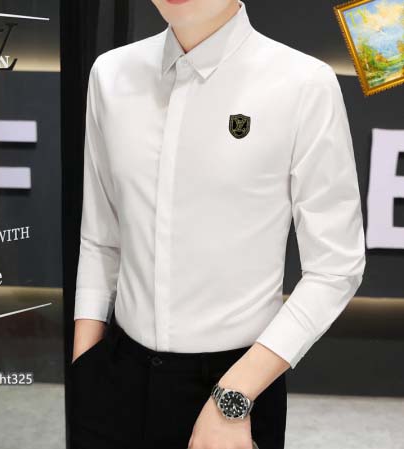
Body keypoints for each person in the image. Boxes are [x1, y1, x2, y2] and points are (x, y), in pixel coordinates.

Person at [70, 0, 366, 448]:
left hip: (236, 387)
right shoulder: (111, 75)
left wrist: (235, 395)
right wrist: (86, 370)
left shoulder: (303, 83)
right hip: (116, 374)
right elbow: (101, 237)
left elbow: (336, 267)